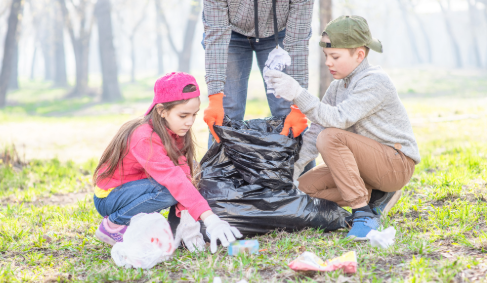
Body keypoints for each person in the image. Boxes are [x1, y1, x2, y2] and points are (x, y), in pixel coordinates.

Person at [267, 15, 420, 240]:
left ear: (359, 55)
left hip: (395, 164)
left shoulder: (375, 80)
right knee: (301, 189)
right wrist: (293, 172)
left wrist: (299, 94)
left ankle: (362, 213)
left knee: (331, 137)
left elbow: (339, 119)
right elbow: (316, 130)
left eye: (335, 56)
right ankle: (374, 197)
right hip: (362, 168)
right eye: (326, 56)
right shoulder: (338, 86)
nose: (328, 62)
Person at [92, 72, 242, 253]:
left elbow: (183, 173)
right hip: (110, 196)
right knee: (169, 191)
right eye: (183, 115)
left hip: (133, 188)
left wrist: (188, 221)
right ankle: (113, 225)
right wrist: (210, 218)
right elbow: (174, 179)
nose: (190, 122)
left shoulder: (172, 131)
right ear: (162, 111)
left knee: (191, 169)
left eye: (194, 115)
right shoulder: (144, 137)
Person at [201, 0, 314, 167]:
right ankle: (216, 185)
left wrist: (297, 106)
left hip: (280, 33)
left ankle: (305, 184)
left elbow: (297, 43)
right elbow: (216, 34)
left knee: (286, 110)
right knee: (226, 113)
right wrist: (216, 96)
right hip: (230, 33)